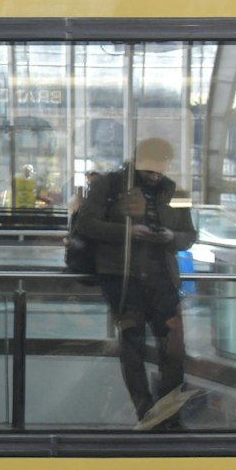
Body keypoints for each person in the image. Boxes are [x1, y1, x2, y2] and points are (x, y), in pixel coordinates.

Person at [75, 138, 199, 429]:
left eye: (160, 169)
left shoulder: (175, 190)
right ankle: (145, 412)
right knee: (133, 346)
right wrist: (130, 232)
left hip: (162, 277)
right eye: (149, 169)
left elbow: (190, 234)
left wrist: (171, 238)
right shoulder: (109, 185)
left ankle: (168, 413)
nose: (155, 175)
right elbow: (86, 224)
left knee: (173, 348)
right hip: (122, 276)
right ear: (137, 162)